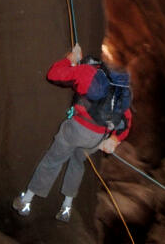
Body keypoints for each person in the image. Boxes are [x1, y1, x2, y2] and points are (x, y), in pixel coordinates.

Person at [12, 44, 132, 222]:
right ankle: (66, 208)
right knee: (77, 163)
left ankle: (26, 201)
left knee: (53, 160)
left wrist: (70, 59)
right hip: (98, 138)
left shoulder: (86, 71)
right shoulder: (120, 86)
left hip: (77, 130)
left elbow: (53, 74)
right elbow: (127, 118)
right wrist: (115, 138)